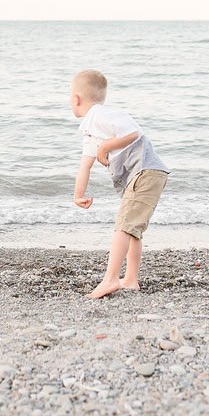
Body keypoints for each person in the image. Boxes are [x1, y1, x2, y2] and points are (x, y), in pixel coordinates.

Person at [69, 69, 171, 298]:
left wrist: (105, 148)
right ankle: (131, 279)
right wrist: (78, 195)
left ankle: (111, 279)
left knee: (124, 226)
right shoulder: (90, 129)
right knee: (133, 229)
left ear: (75, 98)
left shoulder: (100, 115)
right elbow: (85, 165)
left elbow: (133, 133)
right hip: (145, 175)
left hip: (145, 172)